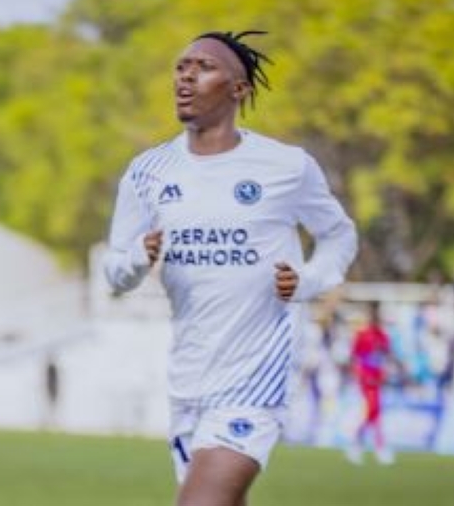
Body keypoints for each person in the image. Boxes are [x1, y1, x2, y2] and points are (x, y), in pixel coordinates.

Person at [103, 31, 357, 506]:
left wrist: (309, 281)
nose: (186, 75)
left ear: (238, 89)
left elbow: (339, 235)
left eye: (203, 66)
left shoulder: (286, 166)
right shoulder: (147, 172)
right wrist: (139, 254)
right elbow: (114, 271)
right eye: (181, 66)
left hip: (255, 377)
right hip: (189, 380)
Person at [346, 301, 399, 465]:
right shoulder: (362, 336)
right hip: (365, 381)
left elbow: (386, 358)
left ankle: (357, 445)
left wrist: (387, 373)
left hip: (377, 381)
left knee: (373, 414)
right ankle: (378, 448)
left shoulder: (383, 336)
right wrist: (360, 376)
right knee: (373, 411)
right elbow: (354, 359)